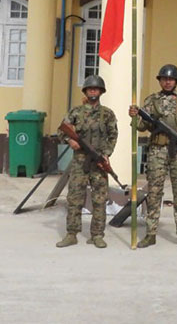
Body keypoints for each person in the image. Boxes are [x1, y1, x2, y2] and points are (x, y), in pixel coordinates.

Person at [128, 64, 177, 249]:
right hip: (157, 151)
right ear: (160, 81)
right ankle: (150, 234)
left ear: (176, 82)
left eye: (171, 79)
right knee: (154, 193)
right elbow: (142, 127)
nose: (168, 82)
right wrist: (135, 117)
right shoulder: (151, 101)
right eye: (164, 79)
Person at [55, 75, 118, 248]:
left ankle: (97, 235)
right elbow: (61, 131)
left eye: (96, 89)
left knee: (100, 199)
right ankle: (71, 234)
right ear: (85, 91)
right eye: (90, 88)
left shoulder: (108, 114)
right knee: (75, 198)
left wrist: (106, 154)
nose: (93, 91)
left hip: (98, 163)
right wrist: (70, 141)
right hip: (80, 162)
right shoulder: (76, 112)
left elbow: (113, 136)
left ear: (101, 92)